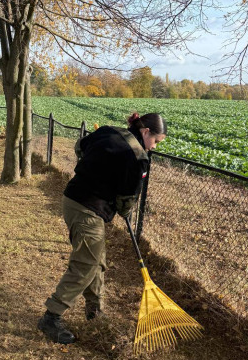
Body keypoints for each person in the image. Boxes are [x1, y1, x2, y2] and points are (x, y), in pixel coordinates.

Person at [38, 112, 167, 344]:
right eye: (156, 141)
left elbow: (81, 147)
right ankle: (51, 316)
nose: (154, 147)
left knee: (96, 260)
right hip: (88, 208)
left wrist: (96, 171)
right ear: (145, 131)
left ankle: (94, 311)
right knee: (86, 263)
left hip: (72, 199)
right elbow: (126, 200)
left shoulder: (108, 131)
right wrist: (123, 209)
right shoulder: (138, 157)